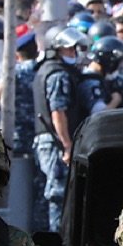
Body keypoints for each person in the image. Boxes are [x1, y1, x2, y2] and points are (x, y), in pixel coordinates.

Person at [33, 28, 90, 233]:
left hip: (47, 140)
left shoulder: (45, 69)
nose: (73, 54)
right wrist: (67, 145)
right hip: (54, 142)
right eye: (68, 50)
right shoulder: (58, 74)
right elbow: (58, 112)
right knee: (57, 195)